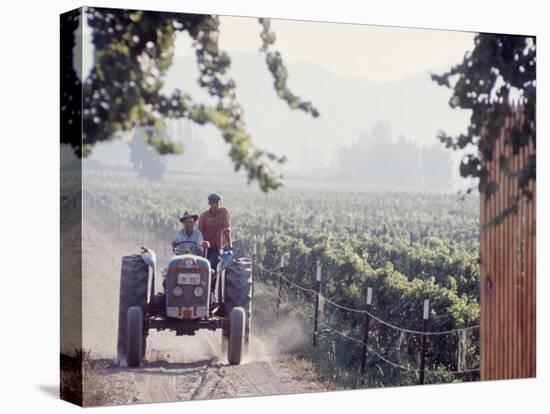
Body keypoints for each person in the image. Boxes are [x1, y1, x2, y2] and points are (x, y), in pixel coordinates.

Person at [198, 192, 232, 270]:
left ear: (220, 203)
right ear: (209, 203)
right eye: (213, 203)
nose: (216, 205)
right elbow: (200, 234)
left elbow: (227, 229)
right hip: (206, 247)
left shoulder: (224, 212)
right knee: (200, 264)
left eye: (218, 202)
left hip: (218, 248)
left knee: (211, 263)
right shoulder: (203, 216)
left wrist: (230, 245)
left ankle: (213, 281)